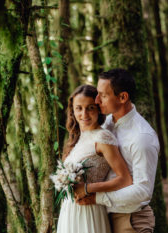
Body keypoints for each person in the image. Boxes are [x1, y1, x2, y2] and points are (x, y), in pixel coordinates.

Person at [75, 68, 159, 233]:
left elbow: (143, 192)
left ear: (122, 97)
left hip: (129, 220)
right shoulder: (106, 124)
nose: (97, 100)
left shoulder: (142, 137)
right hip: (101, 217)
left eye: (103, 96)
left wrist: (97, 197)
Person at [56, 84, 133, 233]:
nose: (84, 114)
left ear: (98, 108)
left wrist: (87, 188)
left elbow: (125, 179)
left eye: (90, 107)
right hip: (69, 211)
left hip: (89, 212)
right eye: (79, 108)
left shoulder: (103, 137)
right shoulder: (77, 137)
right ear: (73, 110)